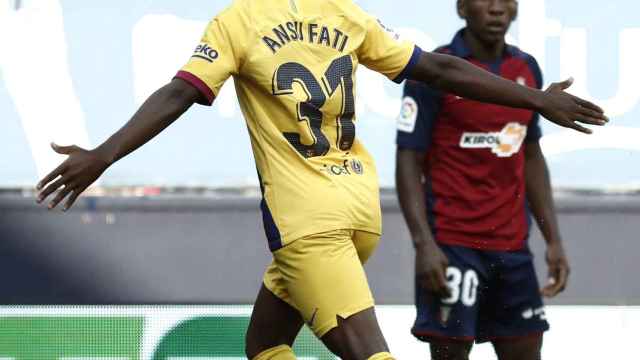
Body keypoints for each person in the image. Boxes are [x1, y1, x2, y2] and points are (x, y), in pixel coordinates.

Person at [35, 0, 605, 359]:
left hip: (308, 225)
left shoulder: (239, 20)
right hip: (358, 212)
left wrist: (103, 156)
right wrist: (535, 100)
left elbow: (180, 91)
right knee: (264, 344)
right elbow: (440, 70)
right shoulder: (344, 14)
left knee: (367, 352)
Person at [396, 1, 573, 359]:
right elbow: (407, 159)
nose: (497, 9)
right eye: (485, 0)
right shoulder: (434, 70)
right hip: (453, 246)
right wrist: (423, 245)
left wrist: (553, 238)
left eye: (506, 0)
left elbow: (531, 155)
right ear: (462, 8)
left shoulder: (526, 68)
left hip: (512, 247)